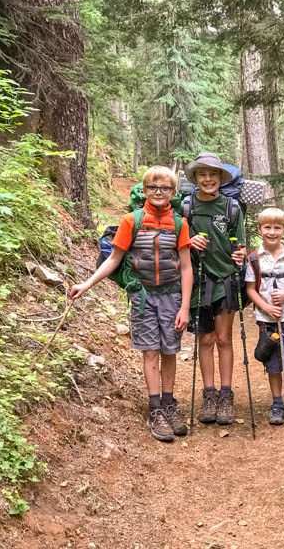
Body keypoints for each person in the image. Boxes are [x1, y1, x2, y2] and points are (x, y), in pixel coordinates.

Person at [70, 166, 193, 443]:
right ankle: (155, 409)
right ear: (144, 190)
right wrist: (86, 284)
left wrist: (185, 307)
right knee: (150, 351)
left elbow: (186, 267)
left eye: (165, 188)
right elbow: (113, 259)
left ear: (173, 192)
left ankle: (169, 404)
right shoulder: (131, 221)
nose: (158, 192)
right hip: (143, 297)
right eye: (153, 188)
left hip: (172, 296)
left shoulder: (179, 224)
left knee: (170, 351)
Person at [184, 152, 246, 425]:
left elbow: (240, 245)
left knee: (223, 339)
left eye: (213, 174)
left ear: (221, 177)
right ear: (195, 178)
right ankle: (209, 395)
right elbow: (177, 241)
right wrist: (188, 241)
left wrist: (240, 254)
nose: (208, 179)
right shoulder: (186, 206)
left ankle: (226, 394)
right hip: (198, 281)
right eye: (202, 174)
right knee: (205, 339)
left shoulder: (232, 208)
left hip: (226, 279)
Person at [245, 207, 284, 425]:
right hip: (267, 321)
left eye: (277, 228)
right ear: (260, 229)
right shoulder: (254, 258)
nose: (272, 232)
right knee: (273, 363)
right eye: (268, 227)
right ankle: (277, 402)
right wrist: (267, 307)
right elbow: (250, 289)